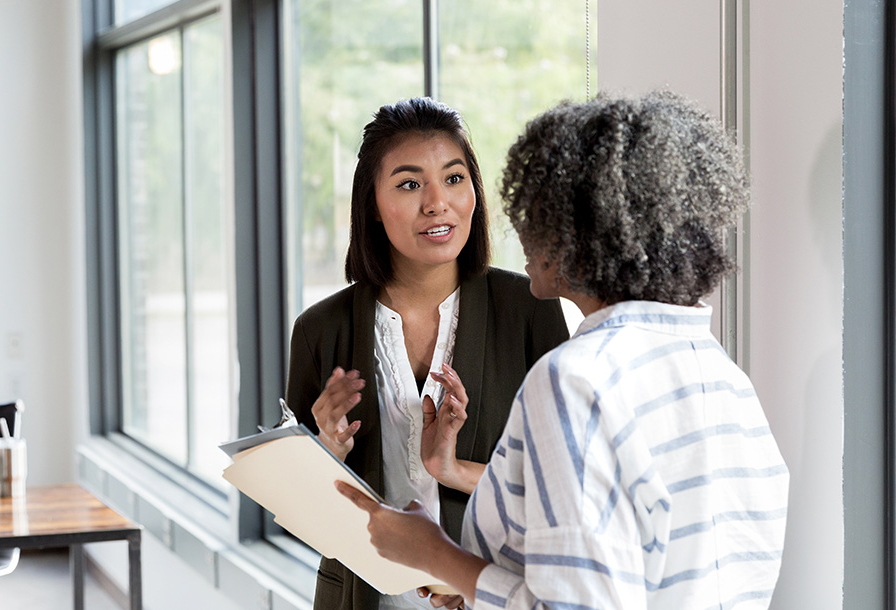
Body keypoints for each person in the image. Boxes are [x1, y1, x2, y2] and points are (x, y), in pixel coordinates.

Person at [337, 91, 790, 609]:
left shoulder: (575, 380)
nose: (520, 229)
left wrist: (437, 555)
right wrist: (475, 571)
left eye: (536, 210)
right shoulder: (726, 379)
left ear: (585, 231)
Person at [286, 97, 570, 610]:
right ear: (372, 204)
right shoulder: (319, 331)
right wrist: (328, 454)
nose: (438, 202)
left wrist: (456, 467)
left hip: (493, 591)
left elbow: (563, 484)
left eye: (454, 178)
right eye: (410, 183)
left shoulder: (529, 309)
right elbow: (303, 520)